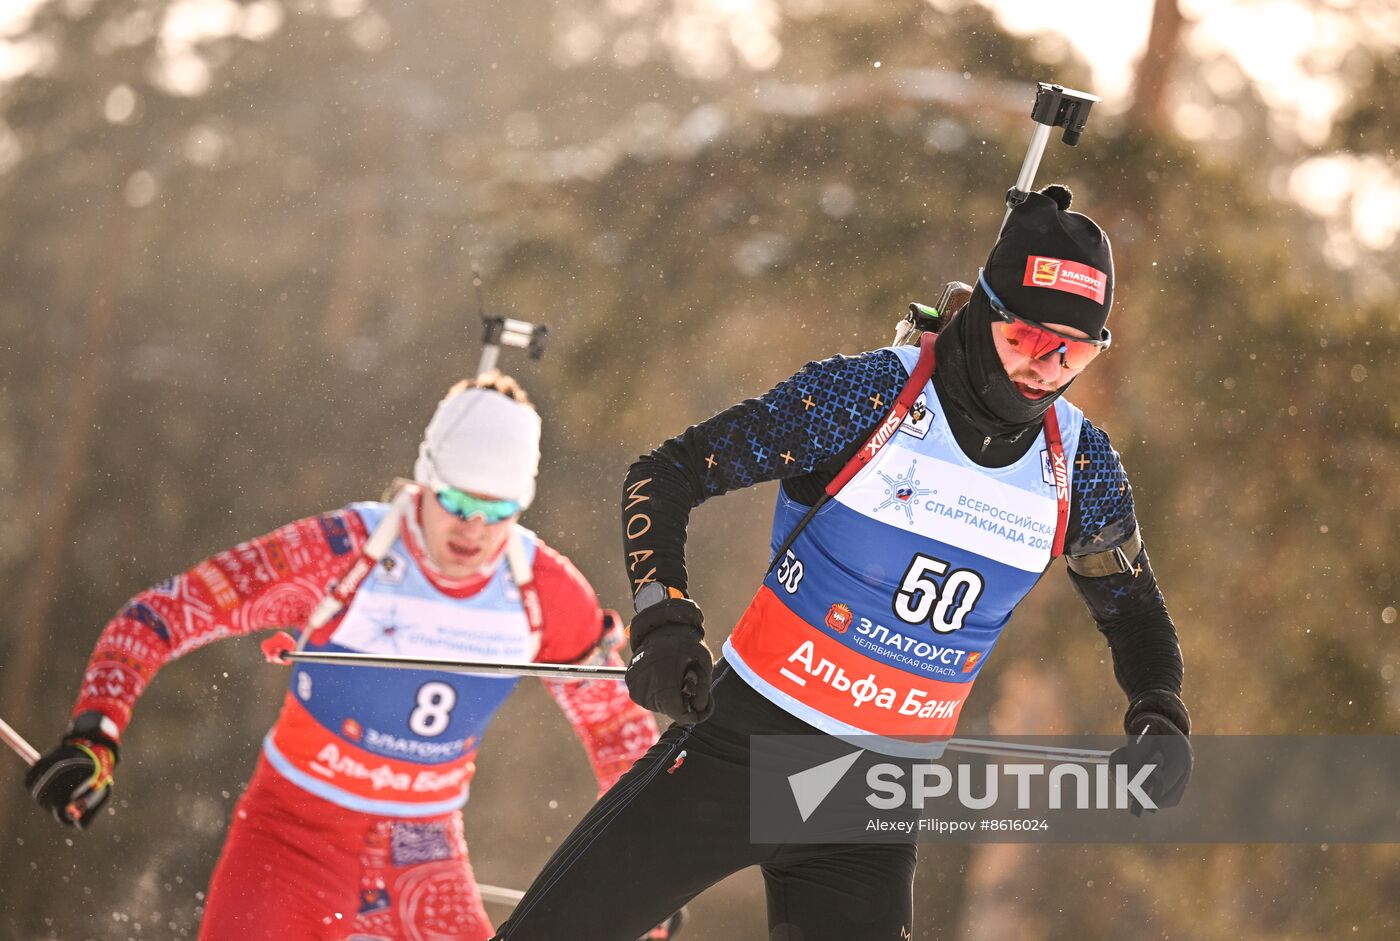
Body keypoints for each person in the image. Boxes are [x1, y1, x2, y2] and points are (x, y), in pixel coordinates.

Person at [491, 185, 1193, 940]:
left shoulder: (1078, 462)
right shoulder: (871, 395)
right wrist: (664, 616)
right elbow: (666, 473)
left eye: (1075, 349)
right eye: (1025, 338)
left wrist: (1159, 710)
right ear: (987, 307)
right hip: (742, 750)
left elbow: (1134, 612)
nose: (1046, 369)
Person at [26, 373, 672, 941]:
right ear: (425, 479)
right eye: (457, 501)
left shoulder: (543, 591)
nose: (473, 528)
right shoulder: (340, 554)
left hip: (422, 854)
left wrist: (646, 872)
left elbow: (616, 730)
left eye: (497, 509)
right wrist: (96, 735)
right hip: (291, 837)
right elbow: (162, 613)